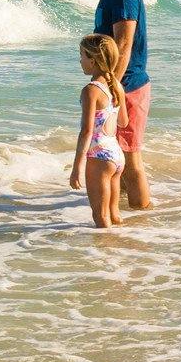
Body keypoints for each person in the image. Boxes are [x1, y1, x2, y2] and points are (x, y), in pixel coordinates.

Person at [77, 0, 153, 211]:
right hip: (121, 85)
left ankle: (143, 218)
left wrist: (111, 89)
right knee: (116, 156)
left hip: (128, 85)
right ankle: (124, 219)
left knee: (130, 159)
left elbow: (124, 42)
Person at [68, 34, 127, 228]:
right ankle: (126, 250)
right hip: (116, 155)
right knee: (114, 214)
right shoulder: (116, 85)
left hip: (99, 156)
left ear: (93, 61)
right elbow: (123, 122)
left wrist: (77, 167)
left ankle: (107, 255)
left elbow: (86, 131)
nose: (80, 60)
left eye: (82, 56)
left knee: (101, 218)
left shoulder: (91, 90)